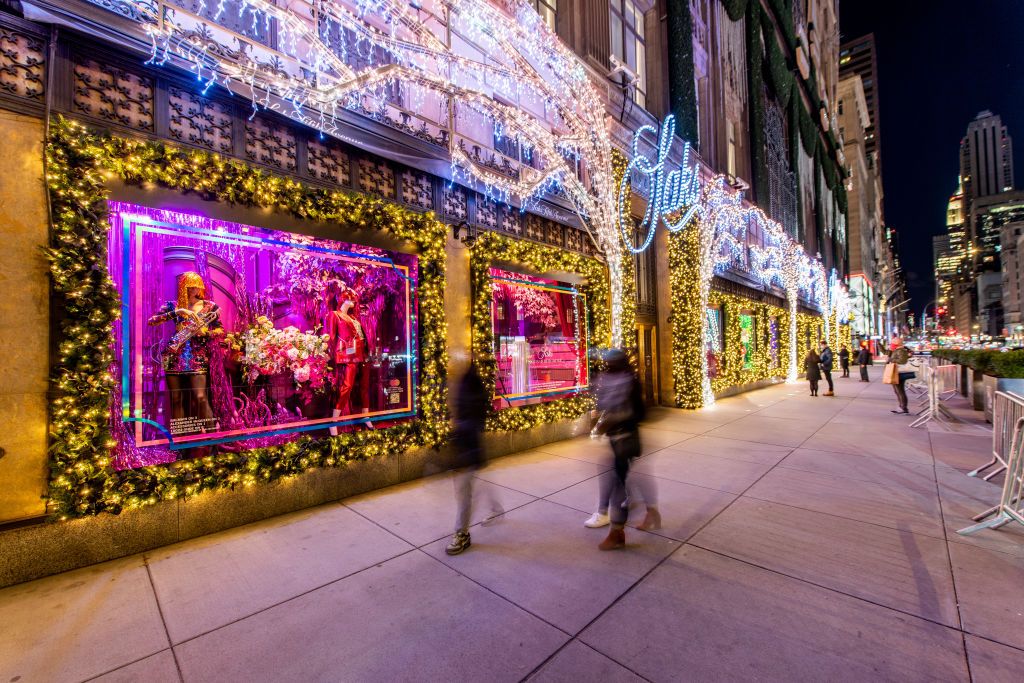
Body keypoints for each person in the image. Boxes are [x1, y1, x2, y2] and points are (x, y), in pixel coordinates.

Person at [593, 349, 648, 551]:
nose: (608, 367)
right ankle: (644, 508)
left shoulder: (629, 382)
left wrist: (617, 420)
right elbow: (603, 406)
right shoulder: (609, 381)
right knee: (618, 480)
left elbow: (640, 413)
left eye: (611, 364)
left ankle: (617, 531)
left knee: (618, 485)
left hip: (627, 439)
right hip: (617, 440)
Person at [445, 364, 503, 555]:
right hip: (465, 444)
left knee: (464, 491)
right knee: (476, 483)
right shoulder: (458, 380)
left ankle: (462, 534)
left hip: (467, 445)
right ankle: (496, 508)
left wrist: (466, 446)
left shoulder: (469, 381)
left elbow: (473, 415)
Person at [886, 337, 915, 415]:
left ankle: (903, 408)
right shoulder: (897, 350)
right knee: (897, 391)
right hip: (897, 372)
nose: (891, 344)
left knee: (900, 391)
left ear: (897, 343)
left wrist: (891, 360)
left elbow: (902, 361)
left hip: (899, 372)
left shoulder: (901, 351)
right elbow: (888, 354)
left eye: (892, 342)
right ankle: (901, 407)